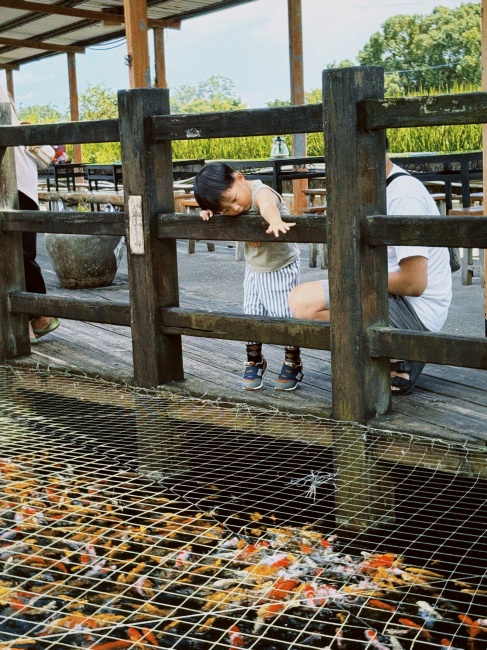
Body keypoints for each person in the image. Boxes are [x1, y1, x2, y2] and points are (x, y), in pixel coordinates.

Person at [288, 154, 452, 396]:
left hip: (415, 311)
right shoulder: (382, 188)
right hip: (395, 297)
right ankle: (388, 355)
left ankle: (401, 353)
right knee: (300, 299)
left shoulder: (402, 196)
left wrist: (351, 278)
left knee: (304, 302)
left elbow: (414, 282)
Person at [194, 161, 303, 391]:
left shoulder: (259, 192)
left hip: (280, 266)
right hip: (253, 268)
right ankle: (255, 360)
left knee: (283, 315)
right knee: (251, 313)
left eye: (233, 200)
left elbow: (267, 205)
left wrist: (274, 220)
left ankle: (293, 360)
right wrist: (210, 210)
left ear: (240, 178)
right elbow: (222, 205)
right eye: (226, 209)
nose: (234, 210)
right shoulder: (230, 201)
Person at [0, 84, 60, 344]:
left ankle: (29, 322)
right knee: (20, 252)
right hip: (17, 180)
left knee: (18, 252)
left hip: (14, 181)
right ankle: (34, 318)